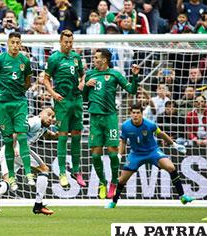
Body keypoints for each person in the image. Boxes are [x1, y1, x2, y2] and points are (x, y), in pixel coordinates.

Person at [105, 104, 194, 209]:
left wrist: (174, 144)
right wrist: (120, 154)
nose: (135, 115)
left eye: (138, 113)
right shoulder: (125, 126)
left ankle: (182, 196)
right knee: (122, 180)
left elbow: (161, 134)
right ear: (130, 113)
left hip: (152, 151)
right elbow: (123, 141)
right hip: (136, 154)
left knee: (171, 167)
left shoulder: (150, 124)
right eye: (133, 113)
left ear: (141, 114)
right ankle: (113, 202)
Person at [83, 48, 140, 200]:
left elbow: (132, 90)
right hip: (95, 119)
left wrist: (135, 77)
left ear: (104, 60)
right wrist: (86, 86)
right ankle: (102, 182)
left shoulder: (115, 74)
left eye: (96, 57)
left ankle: (114, 182)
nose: (94, 60)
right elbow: (83, 98)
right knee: (95, 155)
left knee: (113, 152)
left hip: (110, 118)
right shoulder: (90, 74)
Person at [0, 108, 57, 215]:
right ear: (40, 113)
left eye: (53, 117)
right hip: (18, 149)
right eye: (49, 115)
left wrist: (57, 135)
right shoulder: (35, 121)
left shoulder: (41, 127)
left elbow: (47, 134)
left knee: (8, 181)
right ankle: (38, 205)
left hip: (5, 150)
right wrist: (15, 147)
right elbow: (17, 130)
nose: (51, 119)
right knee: (44, 170)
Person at [0, 32, 33, 191]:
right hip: (3, 104)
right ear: (8, 43)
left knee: (21, 135)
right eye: (13, 42)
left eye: (18, 42)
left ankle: (28, 173)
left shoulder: (24, 61)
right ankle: (12, 177)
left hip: (19, 102)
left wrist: (19, 92)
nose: (15, 45)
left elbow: (28, 81)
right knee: (8, 140)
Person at [43, 30, 86, 188]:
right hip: (62, 102)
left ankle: (76, 170)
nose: (68, 45)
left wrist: (82, 82)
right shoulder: (54, 58)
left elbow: (83, 75)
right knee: (62, 135)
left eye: (71, 42)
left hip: (76, 100)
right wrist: (53, 94)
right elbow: (45, 79)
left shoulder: (76, 57)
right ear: (61, 42)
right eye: (66, 42)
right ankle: (62, 172)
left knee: (76, 135)